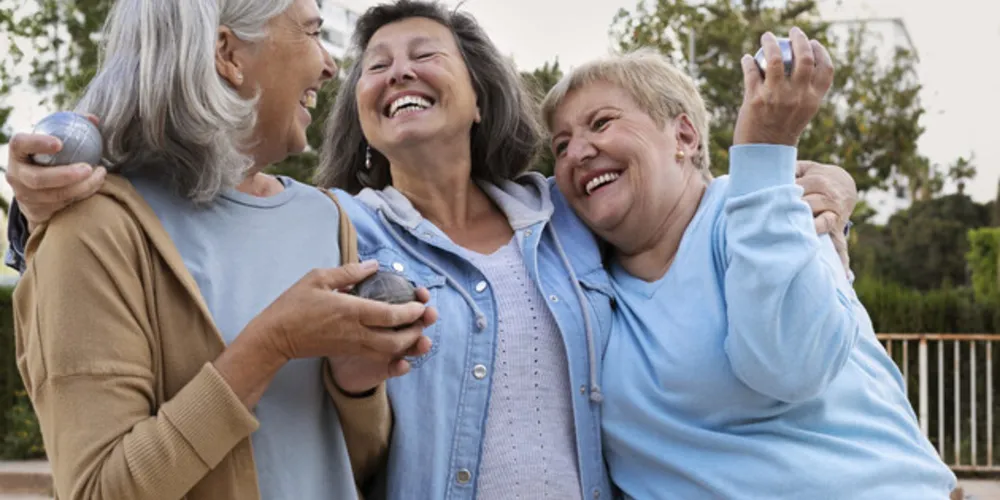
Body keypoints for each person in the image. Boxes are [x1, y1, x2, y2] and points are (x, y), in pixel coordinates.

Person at [5, 1, 857, 498]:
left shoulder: (561, 214)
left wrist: (814, 185)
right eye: (373, 63)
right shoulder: (345, 225)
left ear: (480, 95)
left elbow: (680, 203)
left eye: (424, 54)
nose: (381, 71)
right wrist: (38, 194)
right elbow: (183, 215)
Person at [5, 0, 436, 499]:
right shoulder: (93, 229)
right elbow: (99, 490)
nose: (330, 64)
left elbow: (354, 465)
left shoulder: (324, 217)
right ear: (227, 52)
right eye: (311, 32)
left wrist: (355, 386)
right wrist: (271, 345)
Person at [540, 34, 958, 498]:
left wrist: (766, 151)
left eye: (601, 123)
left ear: (683, 135)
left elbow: (792, 367)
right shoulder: (576, 273)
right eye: (560, 146)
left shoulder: (773, 206)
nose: (577, 153)